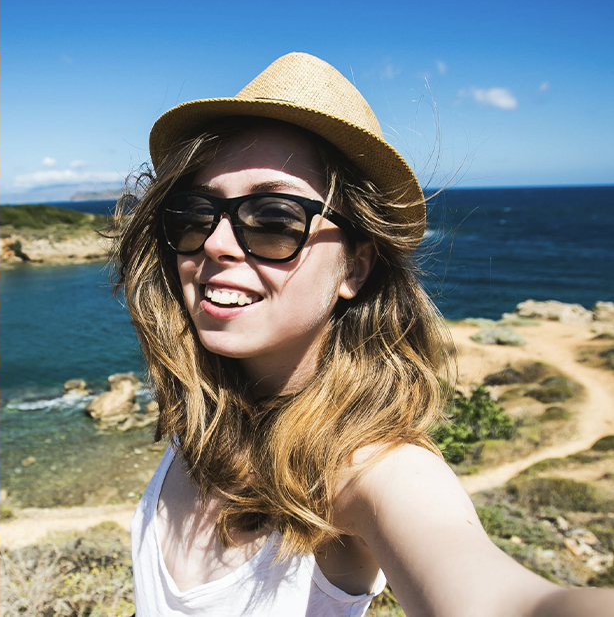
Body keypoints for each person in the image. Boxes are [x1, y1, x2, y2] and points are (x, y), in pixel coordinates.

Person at [111, 52, 613, 616]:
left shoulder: (370, 468)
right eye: (194, 213)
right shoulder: (205, 416)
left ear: (355, 266)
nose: (215, 243)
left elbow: (512, 603)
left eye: (274, 220)